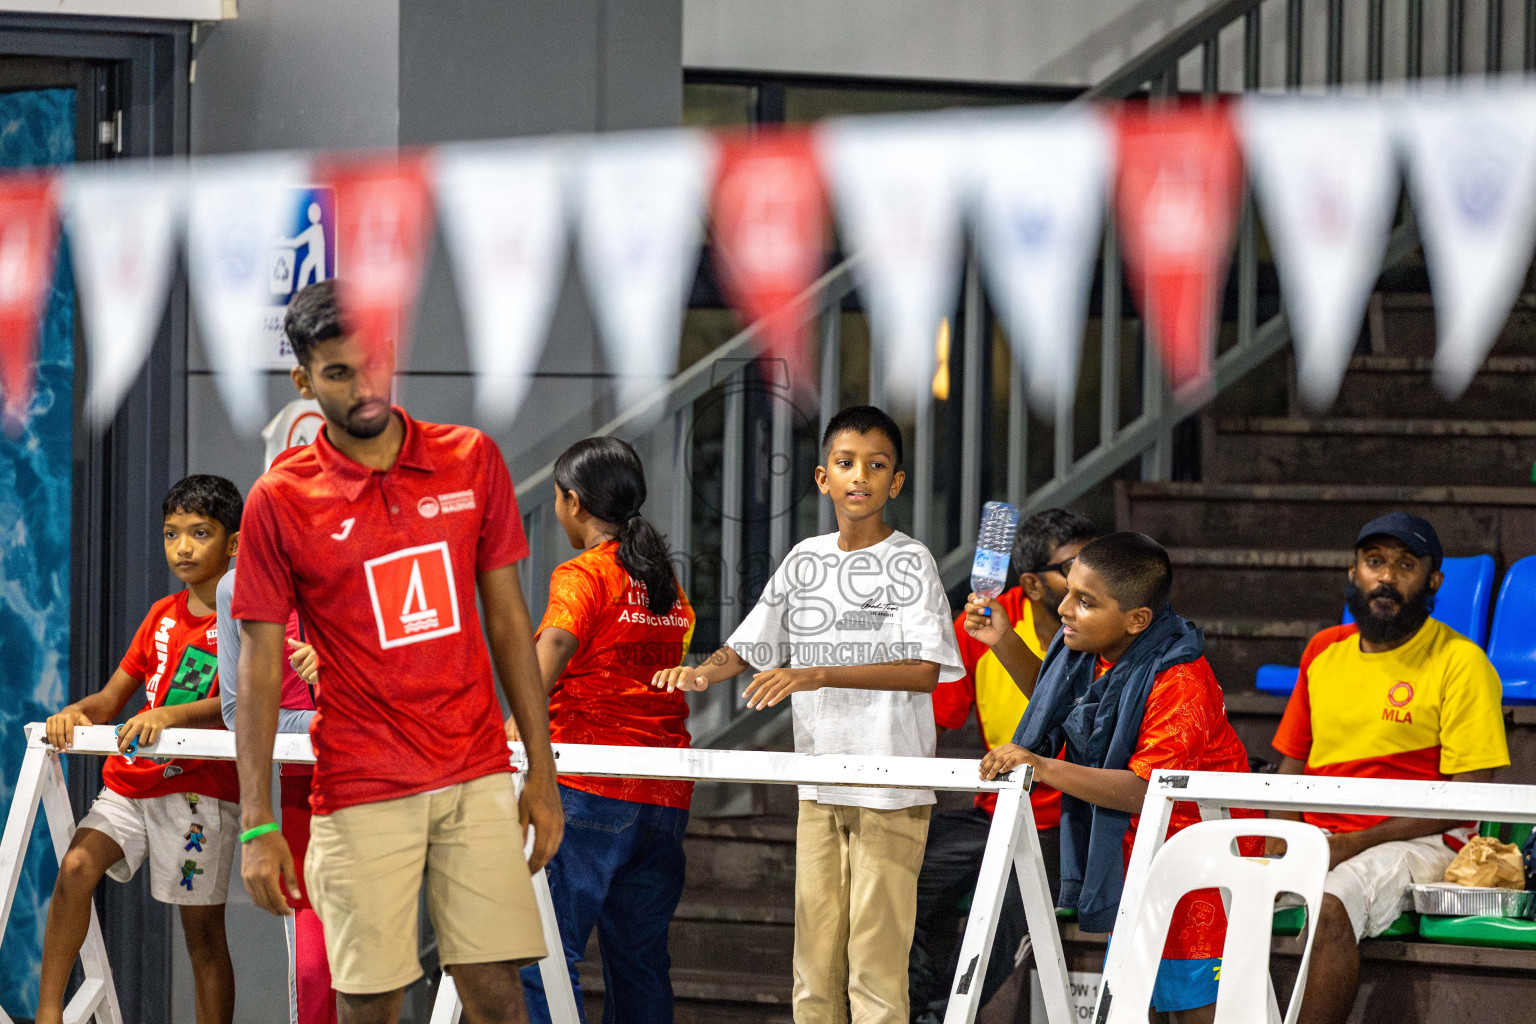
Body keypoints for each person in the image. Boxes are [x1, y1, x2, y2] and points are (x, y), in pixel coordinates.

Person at [231, 280, 563, 1024]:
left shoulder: (470, 459)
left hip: (475, 772)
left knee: (498, 998)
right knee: (370, 1003)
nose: (363, 386)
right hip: (359, 784)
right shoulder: (278, 501)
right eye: (338, 373)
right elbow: (256, 666)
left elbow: (510, 622)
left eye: (373, 362)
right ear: (304, 380)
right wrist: (256, 823)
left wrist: (540, 770)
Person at [653, 405, 965, 1024]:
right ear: (823, 478)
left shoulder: (912, 561)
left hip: (892, 787)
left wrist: (817, 672)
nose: (860, 476)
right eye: (846, 464)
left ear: (895, 483)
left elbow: (924, 671)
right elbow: (752, 642)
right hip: (820, 783)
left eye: (877, 466)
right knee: (814, 969)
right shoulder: (805, 559)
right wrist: (702, 672)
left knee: (875, 969)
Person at [979, 532, 1258, 1024]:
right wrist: (1003, 640)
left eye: (1084, 602)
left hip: (1203, 865)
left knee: (1197, 1010)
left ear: (1137, 619)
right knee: (1131, 1006)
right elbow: (1055, 705)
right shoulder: (1094, 651)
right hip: (1137, 855)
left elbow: (1146, 790)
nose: (1064, 608)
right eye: (1068, 591)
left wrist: (1043, 767)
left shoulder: (1181, 680)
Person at [1270, 512, 1508, 1024]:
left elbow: (1471, 798)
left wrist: (1355, 843)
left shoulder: (1461, 662)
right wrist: (1284, 838)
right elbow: (1291, 767)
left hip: (1422, 840)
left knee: (1332, 902)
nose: (1387, 577)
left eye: (1405, 565)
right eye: (1374, 561)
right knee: (1196, 891)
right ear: (1353, 572)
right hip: (1324, 835)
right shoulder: (1323, 651)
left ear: (1433, 581)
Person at [39, 475, 245, 1024]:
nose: (182, 546)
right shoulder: (160, 614)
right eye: (170, 533)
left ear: (232, 542)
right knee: (77, 864)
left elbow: (243, 700)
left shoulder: (249, 616)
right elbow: (111, 699)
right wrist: (73, 713)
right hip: (131, 783)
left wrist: (171, 714)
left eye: (199, 533)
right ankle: (48, 1014)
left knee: (202, 937)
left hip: (200, 792)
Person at [518, 436, 697, 1024]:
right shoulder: (665, 582)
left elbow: (554, 649)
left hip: (590, 790)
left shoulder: (584, 574)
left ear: (573, 503)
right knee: (640, 964)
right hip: (664, 798)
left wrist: (511, 727)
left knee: (544, 956)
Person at [908, 509, 1099, 1024]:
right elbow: (937, 718)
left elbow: (1075, 714)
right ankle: (910, 1003)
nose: (1090, 575)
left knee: (1007, 907)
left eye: (1094, 560)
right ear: (1033, 584)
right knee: (901, 871)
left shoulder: (1100, 621)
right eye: (1075, 564)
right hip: (996, 809)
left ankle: (942, 1016)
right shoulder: (984, 618)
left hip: (1073, 819)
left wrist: (1006, 643)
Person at [217, 572, 333, 1024]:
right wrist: (328, 721)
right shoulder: (238, 586)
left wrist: (344, 679)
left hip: (380, 788)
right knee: (313, 972)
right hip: (305, 789)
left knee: (370, 966)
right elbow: (236, 713)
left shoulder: (367, 557)